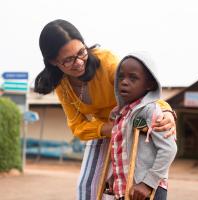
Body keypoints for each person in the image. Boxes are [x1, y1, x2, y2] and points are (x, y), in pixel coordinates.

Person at [34, 19, 176, 200]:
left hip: (133, 125)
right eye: (69, 60)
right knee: (88, 187)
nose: (78, 63)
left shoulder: (106, 61)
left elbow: (142, 87)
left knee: (137, 180)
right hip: (105, 129)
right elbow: (77, 126)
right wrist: (111, 128)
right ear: (54, 62)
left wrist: (166, 111)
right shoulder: (62, 84)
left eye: (81, 52)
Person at [105, 53, 177, 200]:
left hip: (147, 190)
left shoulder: (150, 110)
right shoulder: (122, 114)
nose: (124, 82)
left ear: (149, 84)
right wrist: (115, 176)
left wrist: (147, 184)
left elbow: (169, 149)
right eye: (121, 77)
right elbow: (124, 151)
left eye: (133, 78)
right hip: (127, 190)